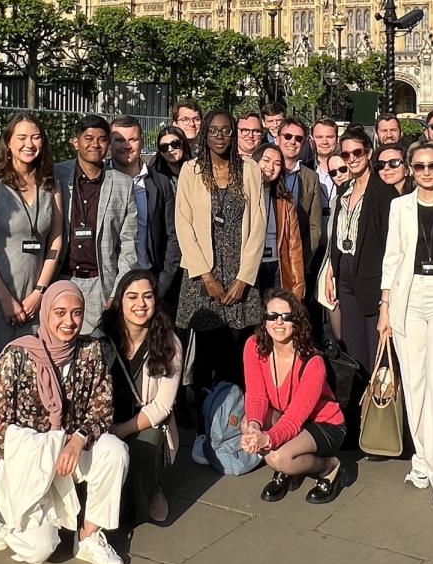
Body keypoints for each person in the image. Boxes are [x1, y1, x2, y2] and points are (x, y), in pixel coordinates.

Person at [0, 281, 130, 564]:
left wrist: (76, 441)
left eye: (76, 313)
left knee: (114, 450)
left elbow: (103, 407)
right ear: (46, 314)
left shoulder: (90, 352)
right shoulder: (18, 355)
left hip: (69, 456)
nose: (69, 322)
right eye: (60, 312)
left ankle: (88, 536)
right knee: (40, 550)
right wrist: (45, 449)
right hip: (30, 463)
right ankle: (8, 522)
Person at [379, 142, 433, 507]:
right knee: (413, 384)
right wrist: (385, 307)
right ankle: (423, 461)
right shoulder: (400, 206)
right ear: (411, 169)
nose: (427, 171)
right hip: (407, 297)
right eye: (420, 166)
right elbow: (392, 257)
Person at [0, 112, 63, 413]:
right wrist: (6, 300)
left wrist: (39, 291)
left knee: (31, 374)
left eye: (35, 137)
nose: (29, 144)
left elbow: (56, 242)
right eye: (21, 137)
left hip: (34, 297)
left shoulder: (51, 184)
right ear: (8, 143)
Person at [175, 110, 267, 395]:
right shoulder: (191, 170)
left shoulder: (249, 170)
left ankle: (235, 422)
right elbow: (183, 223)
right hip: (202, 275)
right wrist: (207, 277)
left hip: (241, 273)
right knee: (204, 354)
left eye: (226, 131)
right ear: (205, 134)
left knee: (238, 355)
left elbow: (259, 224)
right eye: (214, 130)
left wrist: (243, 279)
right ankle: (204, 429)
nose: (220, 137)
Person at [241, 289, 349, 503]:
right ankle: (289, 469)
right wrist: (254, 426)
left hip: (324, 424)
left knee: (277, 456)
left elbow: (295, 418)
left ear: (296, 321)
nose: (278, 323)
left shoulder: (312, 362)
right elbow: (256, 396)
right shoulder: (254, 346)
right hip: (286, 416)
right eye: (271, 316)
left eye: (286, 317)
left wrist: (268, 439)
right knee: (247, 424)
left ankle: (329, 467)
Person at [100, 269, 182, 526]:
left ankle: (154, 488)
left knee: (142, 448)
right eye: (132, 296)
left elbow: (163, 405)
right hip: (107, 414)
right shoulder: (103, 338)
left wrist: (122, 430)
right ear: (120, 301)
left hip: (146, 419)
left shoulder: (169, 342)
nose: (140, 304)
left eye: (147, 296)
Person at [54, 114, 138, 337]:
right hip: (61, 278)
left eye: (102, 139)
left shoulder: (123, 184)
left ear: (108, 145)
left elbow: (129, 245)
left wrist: (118, 291)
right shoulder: (56, 175)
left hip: (101, 285)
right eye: (88, 138)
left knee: (99, 355)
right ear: (76, 142)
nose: (95, 144)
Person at [326, 127, 398, 373]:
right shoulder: (344, 190)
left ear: (368, 153)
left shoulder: (383, 193)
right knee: (352, 349)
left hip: (372, 278)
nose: (352, 158)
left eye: (357, 152)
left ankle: (378, 406)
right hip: (344, 276)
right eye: (346, 155)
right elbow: (336, 236)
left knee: (377, 348)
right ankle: (356, 403)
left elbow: (391, 244)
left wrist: (386, 294)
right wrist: (330, 272)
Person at [109, 115, 180, 301]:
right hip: (109, 282)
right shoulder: (100, 180)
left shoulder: (160, 182)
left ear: (141, 141)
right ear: (110, 143)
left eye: (132, 139)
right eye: (119, 140)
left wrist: (162, 284)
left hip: (150, 278)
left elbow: (173, 236)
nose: (126, 146)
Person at [252, 143, 306, 298]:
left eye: (277, 164)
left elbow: (294, 246)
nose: (271, 167)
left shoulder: (285, 200)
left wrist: (298, 286)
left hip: (276, 266)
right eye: (266, 160)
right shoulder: (242, 194)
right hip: (250, 268)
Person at [277, 117, 325, 276]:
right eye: (288, 136)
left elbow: (314, 226)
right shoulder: (263, 171)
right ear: (278, 139)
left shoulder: (311, 178)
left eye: (298, 138)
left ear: (303, 144)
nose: (292, 141)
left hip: (293, 260)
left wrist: (303, 262)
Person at [152, 124, 193, 190]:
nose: (170, 150)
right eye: (164, 147)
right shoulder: (156, 177)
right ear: (160, 152)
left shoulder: (196, 170)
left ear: (183, 144)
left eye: (175, 144)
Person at [310, 117, 341, 198]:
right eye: (319, 137)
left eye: (330, 137)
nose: (325, 142)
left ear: (337, 139)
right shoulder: (304, 170)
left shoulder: (347, 169)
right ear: (312, 139)